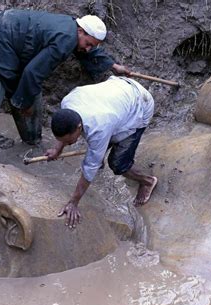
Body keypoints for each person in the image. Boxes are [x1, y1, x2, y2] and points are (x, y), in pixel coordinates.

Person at [0, 9, 130, 176]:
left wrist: (113, 66)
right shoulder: (66, 39)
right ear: (80, 31)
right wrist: (24, 103)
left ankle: (32, 141)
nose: (87, 49)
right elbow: (33, 72)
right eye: (88, 43)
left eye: (92, 46)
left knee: (32, 96)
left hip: (12, 48)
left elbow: (86, 52)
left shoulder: (72, 29)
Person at [46, 76, 158, 229]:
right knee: (98, 147)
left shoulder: (98, 126)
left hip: (140, 104)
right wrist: (57, 149)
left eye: (69, 140)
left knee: (117, 164)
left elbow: (88, 168)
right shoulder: (67, 104)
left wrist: (73, 202)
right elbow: (65, 131)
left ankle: (147, 181)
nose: (69, 143)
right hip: (117, 93)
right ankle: (100, 154)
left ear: (79, 127)